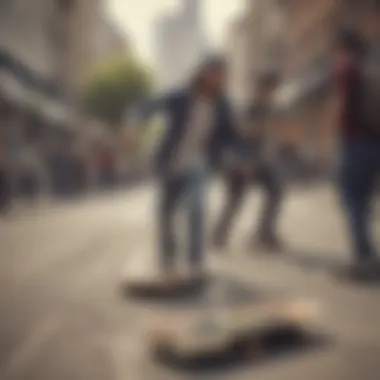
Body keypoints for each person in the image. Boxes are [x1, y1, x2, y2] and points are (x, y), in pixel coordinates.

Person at [127, 56, 242, 277]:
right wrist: (133, 123)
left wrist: (238, 154)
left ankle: (195, 261)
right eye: (215, 73)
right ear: (203, 73)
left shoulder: (222, 105)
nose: (219, 78)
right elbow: (145, 106)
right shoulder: (181, 96)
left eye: (222, 74)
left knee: (196, 208)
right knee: (166, 212)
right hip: (171, 162)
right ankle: (168, 259)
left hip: (198, 164)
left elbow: (231, 136)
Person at [326, 29, 380, 279]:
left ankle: (362, 260)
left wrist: (334, 138)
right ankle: (369, 255)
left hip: (355, 144)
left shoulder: (347, 71)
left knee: (353, 201)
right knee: (363, 202)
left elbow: (341, 109)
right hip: (374, 143)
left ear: (344, 49)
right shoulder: (371, 68)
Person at [213, 72, 285, 252]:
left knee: (275, 191)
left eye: (273, 90)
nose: (271, 94)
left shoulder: (266, 109)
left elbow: (264, 138)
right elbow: (241, 137)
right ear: (260, 89)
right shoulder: (250, 109)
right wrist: (244, 163)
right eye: (268, 89)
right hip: (241, 163)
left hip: (258, 163)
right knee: (235, 200)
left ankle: (264, 233)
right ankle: (218, 236)